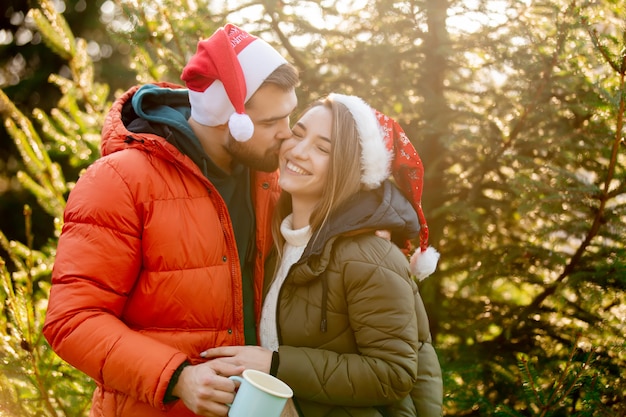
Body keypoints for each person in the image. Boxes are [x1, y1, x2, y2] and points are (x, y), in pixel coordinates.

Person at [43, 24, 299, 417]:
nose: (287, 135)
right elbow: (72, 320)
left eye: (288, 116)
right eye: (269, 124)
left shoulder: (270, 179)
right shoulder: (120, 181)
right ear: (225, 119)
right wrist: (178, 377)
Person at [202, 93, 443, 416]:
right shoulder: (277, 243)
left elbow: (393, 374)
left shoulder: (368, 255)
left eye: (322, 148)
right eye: (298, 134)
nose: (297, 151)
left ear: (348, 169)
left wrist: (275, 365)